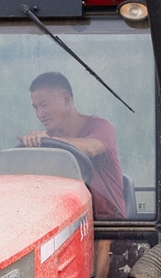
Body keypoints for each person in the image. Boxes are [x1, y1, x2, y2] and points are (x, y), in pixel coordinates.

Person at [20, 71, 128, 220]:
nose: (40, 114)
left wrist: (51, 142)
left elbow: (92, 148)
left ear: (66, 99)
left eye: (44, 105)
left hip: (109, 225)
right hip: (69, 223)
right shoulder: (46, 142)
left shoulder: (101, 127)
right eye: (35, 107)